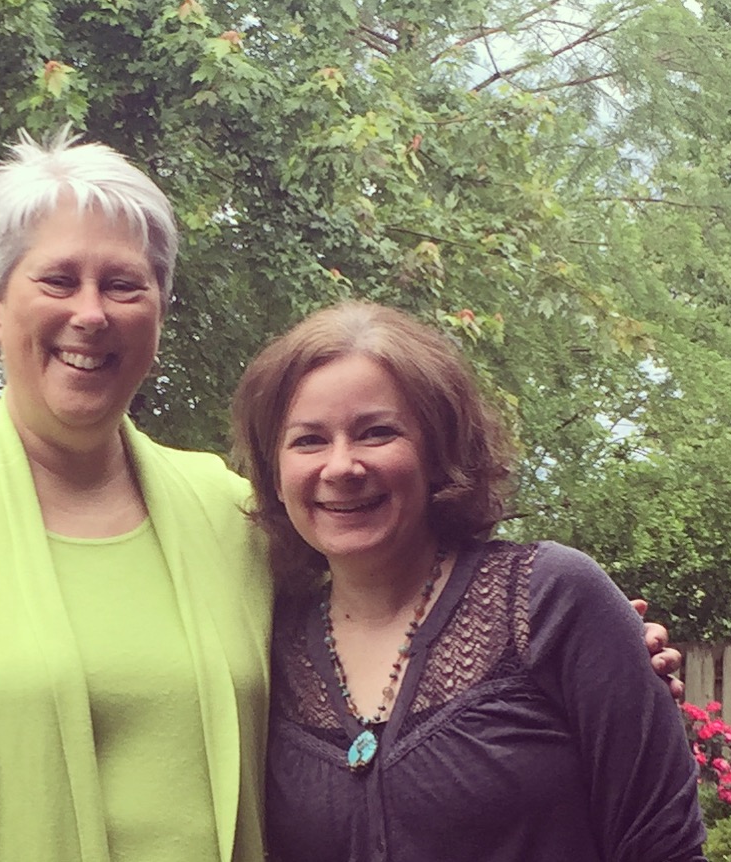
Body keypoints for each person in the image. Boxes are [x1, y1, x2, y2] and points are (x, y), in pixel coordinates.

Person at [0, 129, 685, 862]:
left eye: (125, 285)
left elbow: (391, 604)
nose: (91, 313)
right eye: (58, 280)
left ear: (158, 313)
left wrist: (599, 656)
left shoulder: (227, 510)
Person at [231, 300, 705, 862]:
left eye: (376, 433)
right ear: (274, 473)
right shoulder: (264, 641)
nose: (341, 467)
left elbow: (663, 845)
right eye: (308, 440)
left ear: (439, 450)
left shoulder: (549, 601)